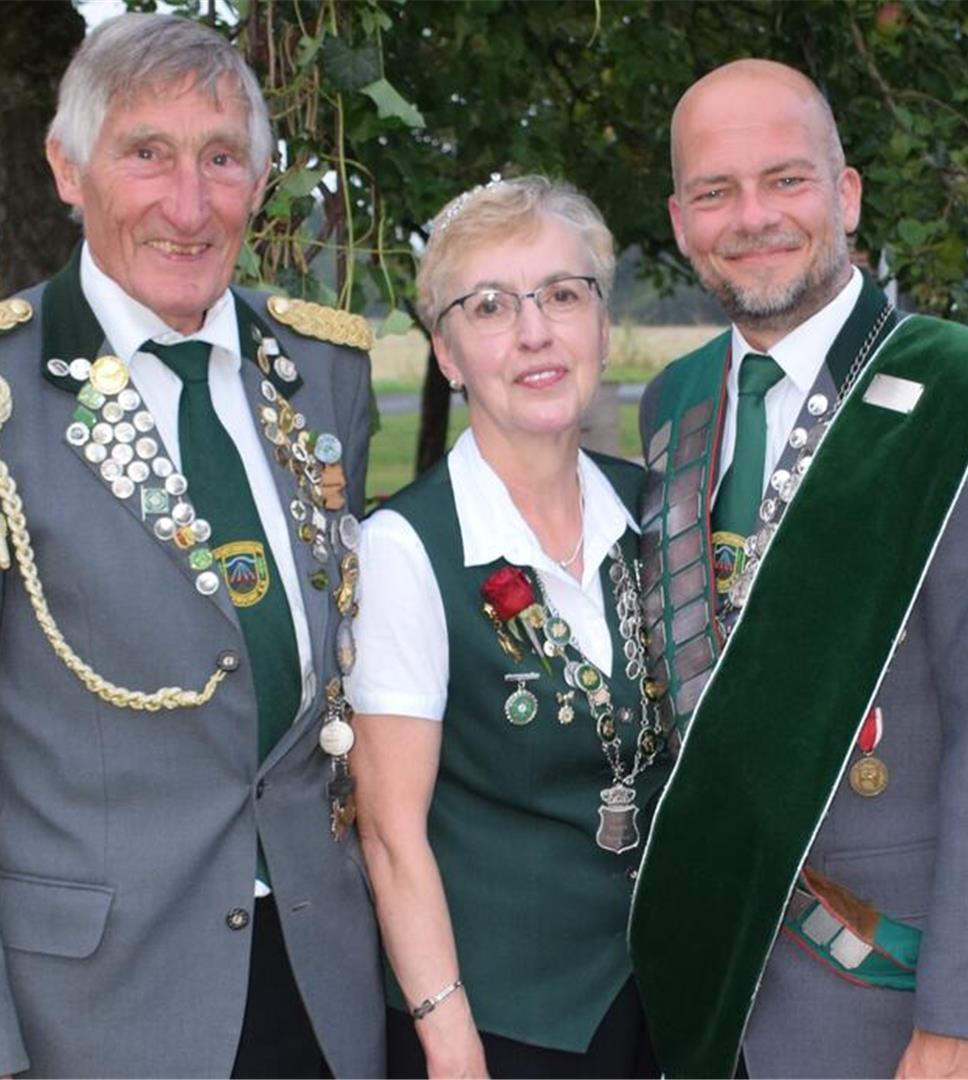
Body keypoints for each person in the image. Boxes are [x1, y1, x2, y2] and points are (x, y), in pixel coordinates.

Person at [0, 14, 385, 1077]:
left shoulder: (321, 373)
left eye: (221, 159)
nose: (188, 207)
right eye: (146, 153)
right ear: (67, 168)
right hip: (94, 1015)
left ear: (259, 181)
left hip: (323, 988)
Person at [627, 59, 968, 1078]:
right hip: (711, 977)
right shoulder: (675, 403)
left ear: (847, 193)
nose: (752, 217)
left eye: (785, 180)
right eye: (715, 191)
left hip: (889, 991)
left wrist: (967, 1017)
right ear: (682, 216)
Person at [346, 175, 666, 1079]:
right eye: (489, 306)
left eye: (562, 295)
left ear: (601, 324)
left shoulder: (657, 513)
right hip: (500, 1028)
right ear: (447, 353)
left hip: (664, 1002)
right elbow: (390, 835)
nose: (535, 333)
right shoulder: (407, 549)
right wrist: (451, 1046)